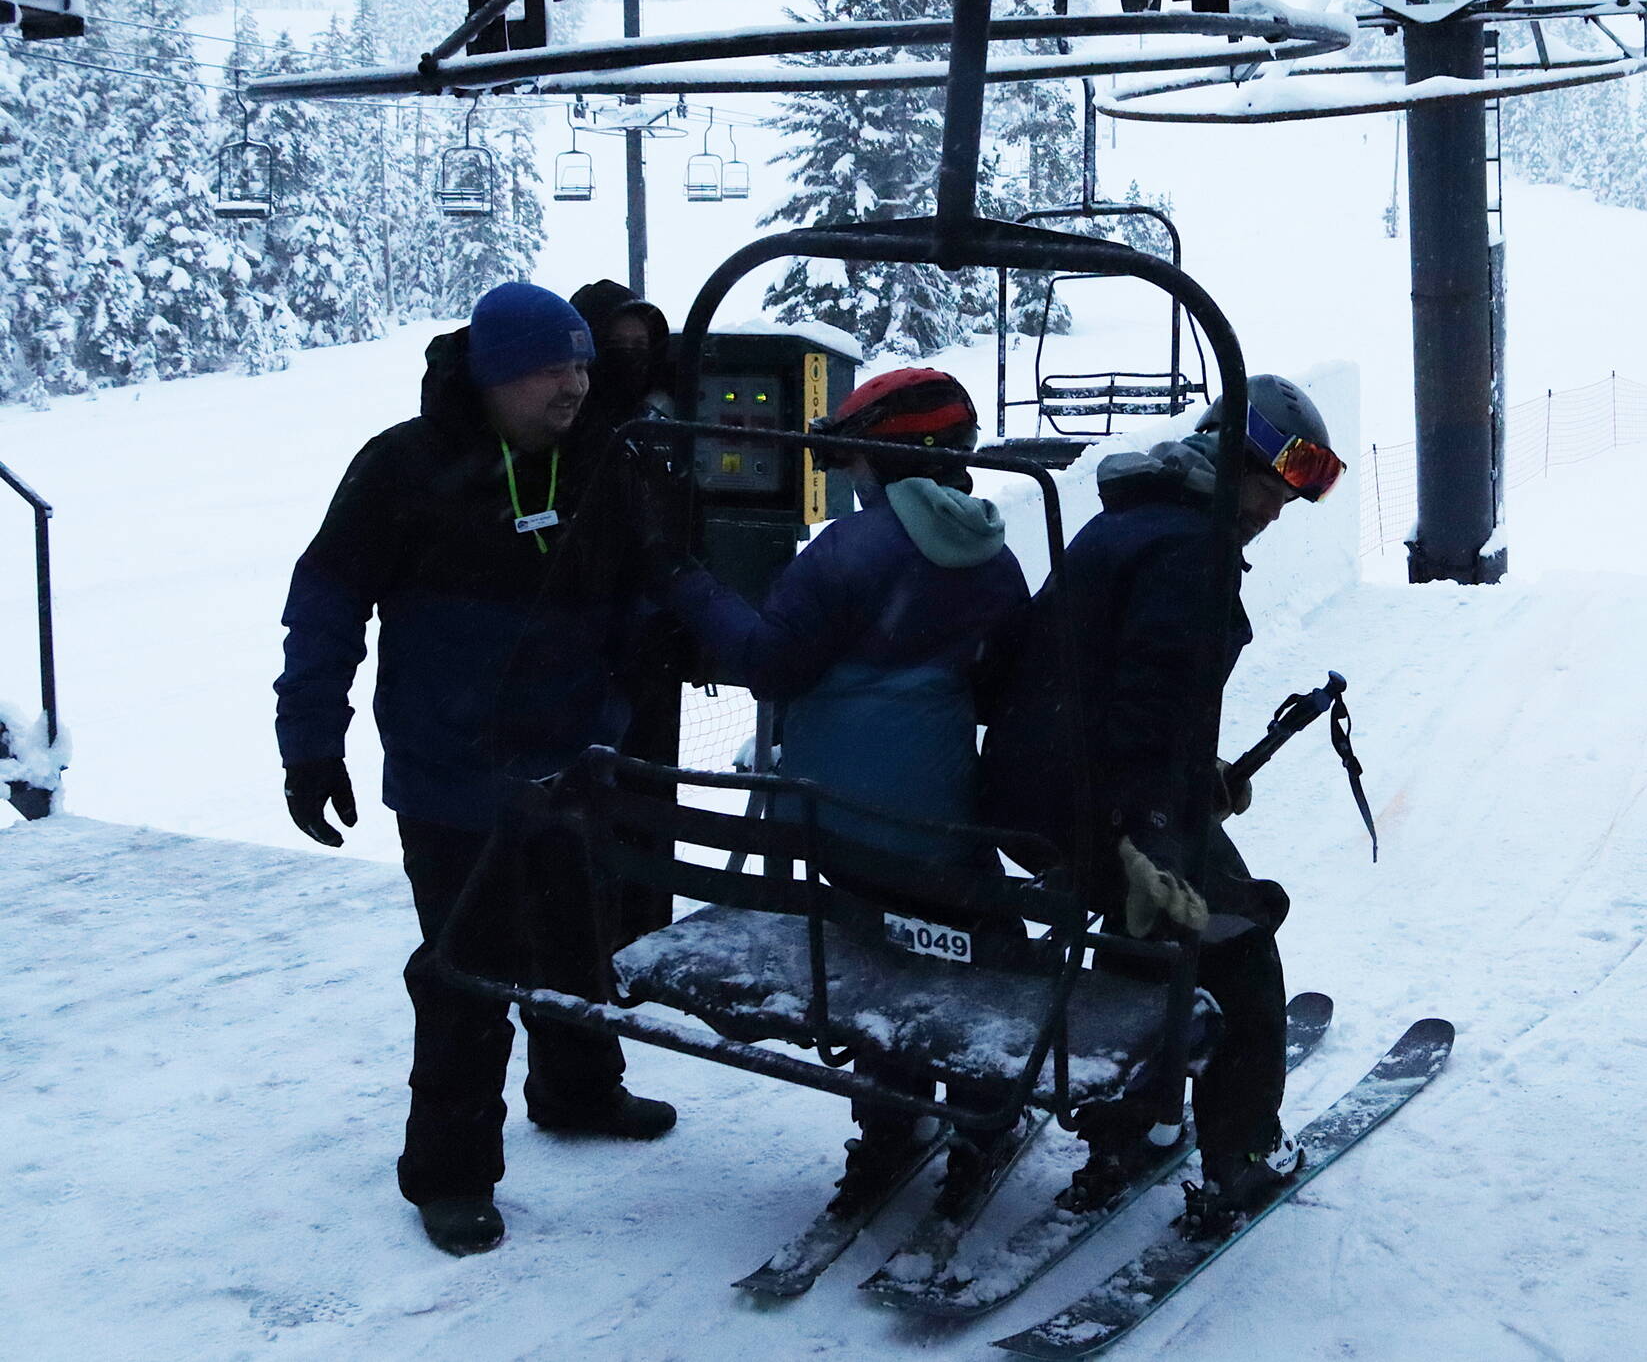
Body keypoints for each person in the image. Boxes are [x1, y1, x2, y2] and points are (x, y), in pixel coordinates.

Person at [275, 282, 691, 1257]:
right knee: (469, 973)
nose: (576, 385)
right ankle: (449, 1175)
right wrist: (309, 746)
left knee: (577, 940)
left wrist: (619, 705)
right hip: (450, 776)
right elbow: (325, 606)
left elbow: (641, 598)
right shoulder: (402, 468)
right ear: (500, 374)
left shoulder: (601, 462)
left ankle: (579, 1091)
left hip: (572, 766)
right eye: (556, 366)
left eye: (584, 365)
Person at [979, 374, 1346, 1236]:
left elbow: (1116, 682)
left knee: (1142, 931)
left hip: (1038, 786)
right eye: (1271, 487)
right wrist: (1144, 828)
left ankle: (1125, 1133)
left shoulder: (1134, 520)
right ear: (1229, 457)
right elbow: (1144, 700)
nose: (1275, 511)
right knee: (1237, 938)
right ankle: (1241, 1157)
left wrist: (1197, 775)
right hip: (1096, 797)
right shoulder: (1194, 548)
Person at [670, 367, 1031, 1212]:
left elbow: (767, 663)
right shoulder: (993, 556)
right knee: (979, 950)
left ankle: (887, 1128)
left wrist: (689, 585)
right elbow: (1002, 685)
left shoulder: (846, 553)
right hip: (939, 827)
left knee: (875, 951)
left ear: (881, 458)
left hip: (836, 823)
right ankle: (981, 1119)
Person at [569, 278, 676, 426]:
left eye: (640, 344)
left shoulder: (658, 422)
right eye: (614, 343)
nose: (628, 355)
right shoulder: (558, 425)